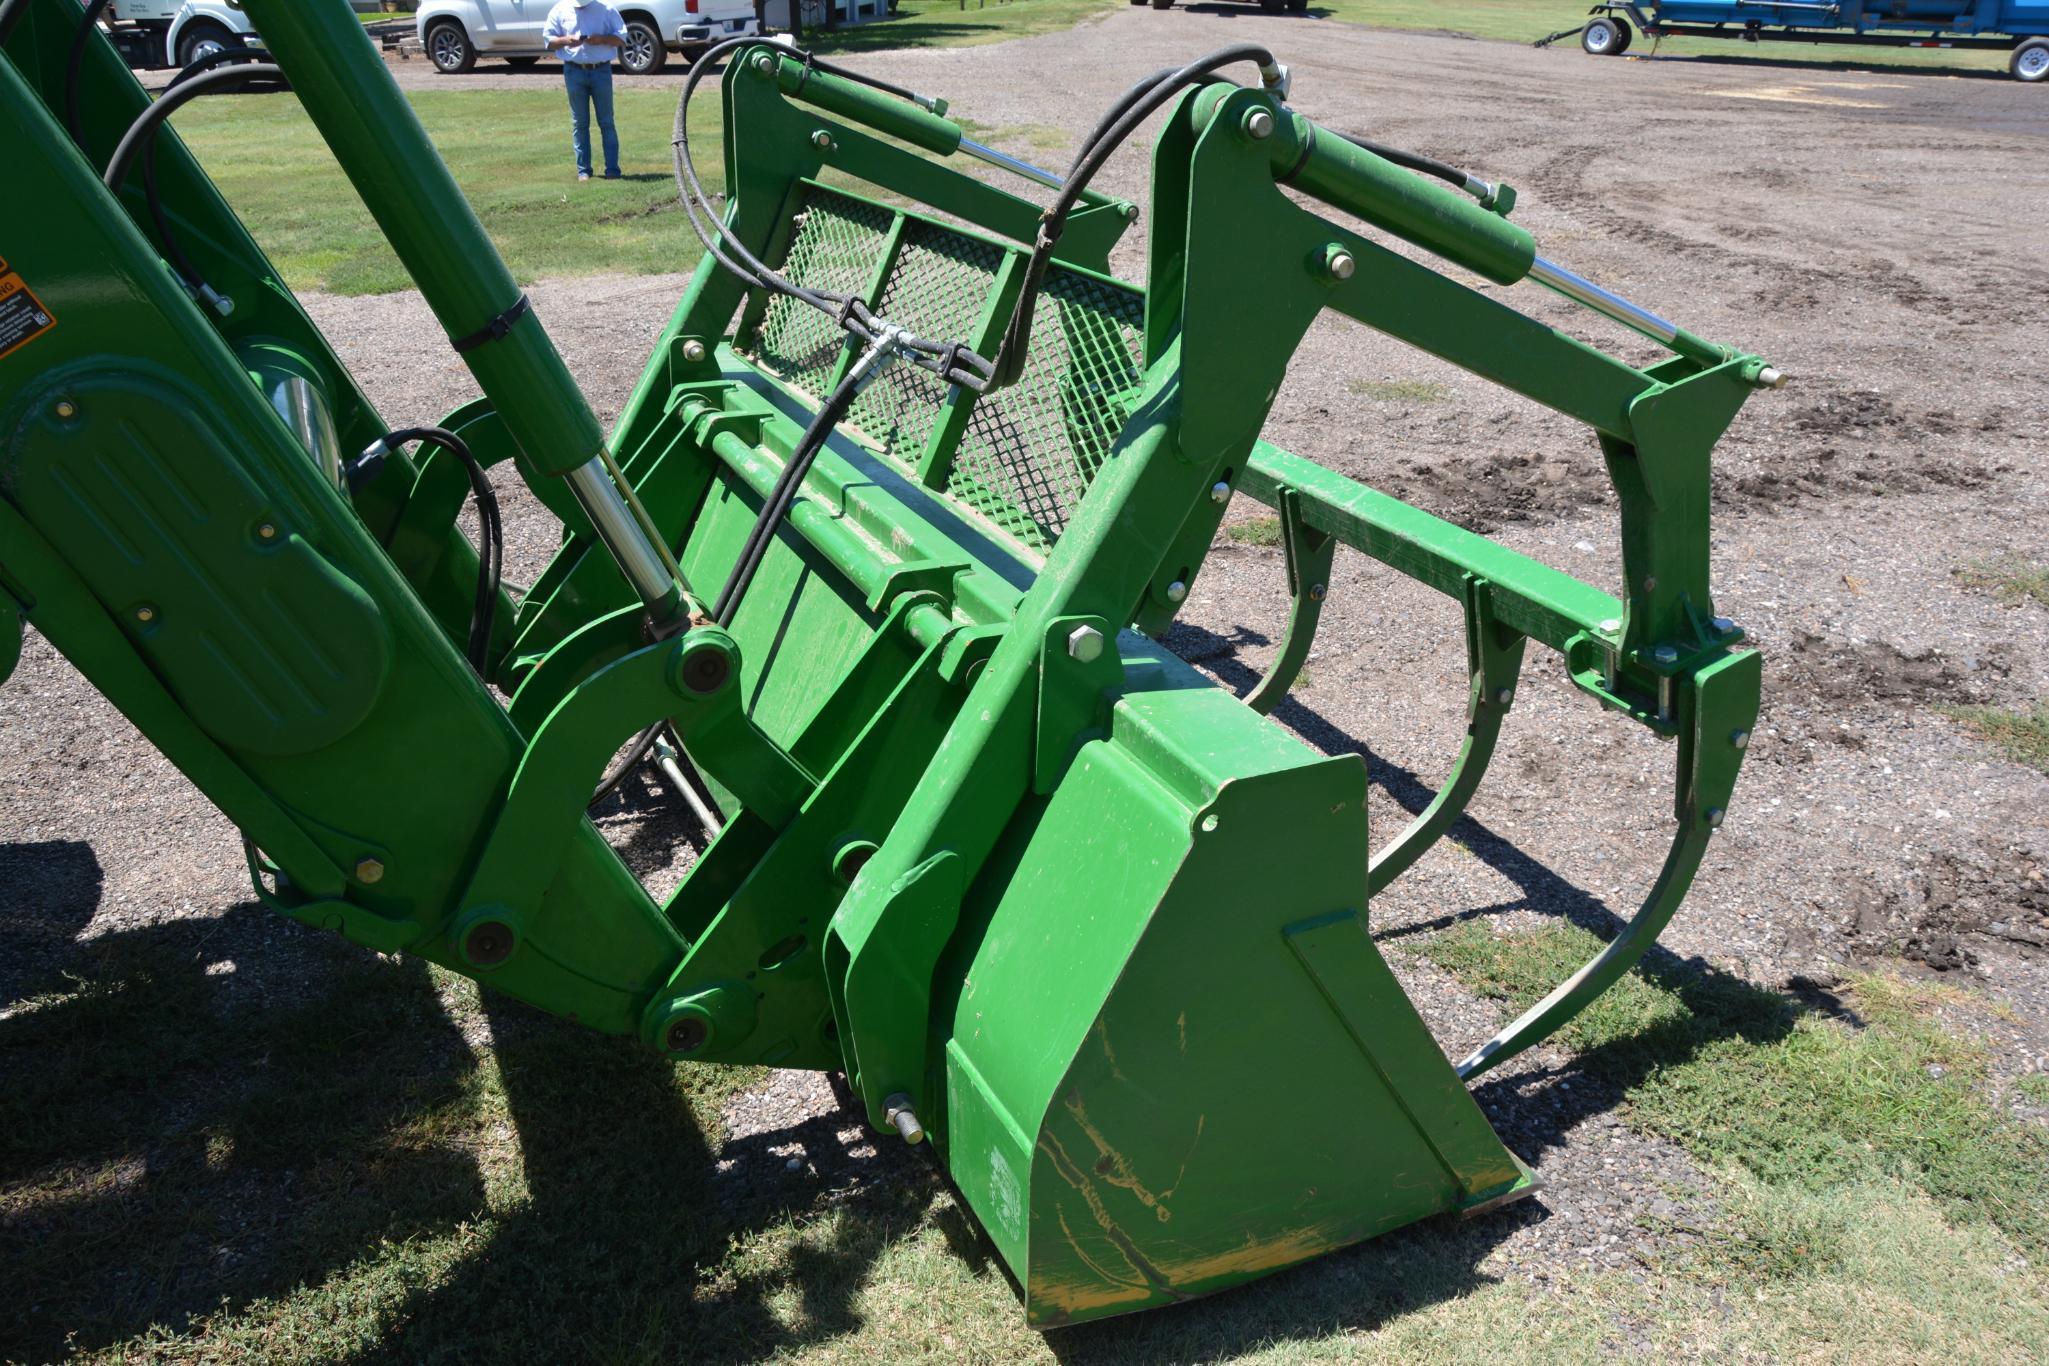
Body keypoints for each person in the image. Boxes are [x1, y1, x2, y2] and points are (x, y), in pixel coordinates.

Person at [543, 0, 627, 181]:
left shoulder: (606, 9)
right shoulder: (560, 9)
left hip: (601, 70)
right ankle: (583, 171)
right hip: (574, 71)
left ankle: (612, 170)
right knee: (579, 123)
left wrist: (602, 39)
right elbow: (548, 41)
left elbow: (621, 38)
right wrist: (566, 40)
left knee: (606, 121)